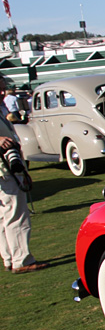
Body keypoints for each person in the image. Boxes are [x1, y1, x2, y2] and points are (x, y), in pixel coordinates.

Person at [0, 113, 47, 274]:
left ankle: (10, 258)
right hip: (5, 172)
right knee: (15, 215)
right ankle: (21, 260)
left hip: (7, 170)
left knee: (4, 217)